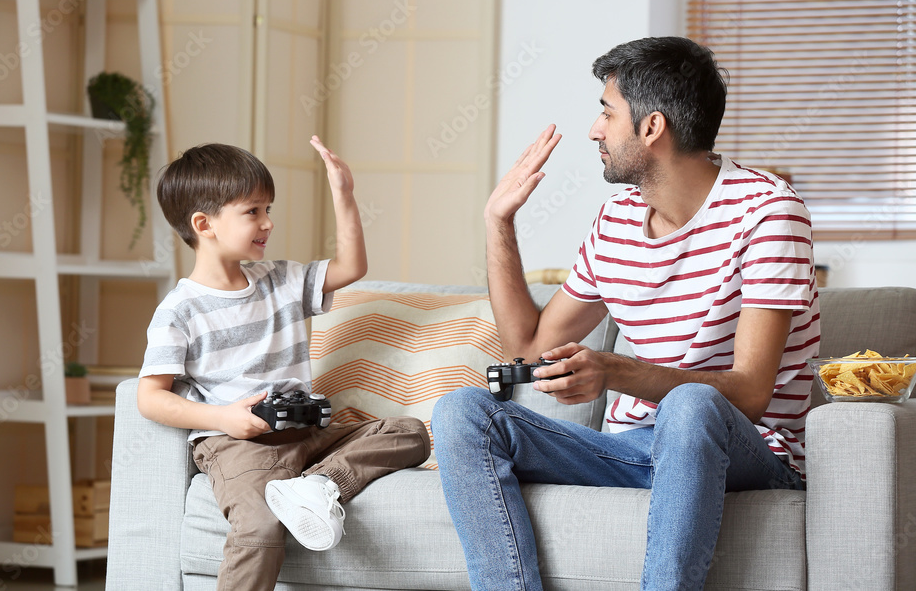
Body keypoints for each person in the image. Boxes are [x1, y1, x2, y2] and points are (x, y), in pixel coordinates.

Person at [432, 36, 820, 591]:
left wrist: (613, 371)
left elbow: (752, 392)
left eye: (606, 112)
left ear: (652, 127)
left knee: (690, 407)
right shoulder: (616, 220)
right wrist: (499, 224)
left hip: (748, 449)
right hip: (634, 448)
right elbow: (527, 350)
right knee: (463, 413)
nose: (595, 130)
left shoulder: (769, 212)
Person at [136, 139, 431, 591]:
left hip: (309, 435)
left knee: (409, 433)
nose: (267, 222)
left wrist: (344, 194)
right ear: (204, 224)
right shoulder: (180, 310)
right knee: (259, 529)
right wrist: (225, 419)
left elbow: (352, 265)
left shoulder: (282, 280)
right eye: (252, 211)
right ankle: (298, 493)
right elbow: (150, 397)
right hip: (238, 446)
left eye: (267, 208)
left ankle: (315, 488)